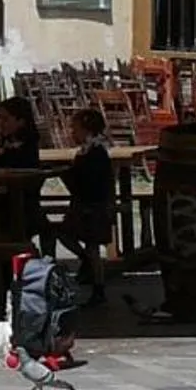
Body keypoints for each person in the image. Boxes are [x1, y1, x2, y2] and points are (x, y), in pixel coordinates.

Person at [51, 105, 117, 298]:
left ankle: (98, 286)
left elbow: (93, 180)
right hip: (83, 203)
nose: (72, 132)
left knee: (92, 245)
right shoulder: (86, 151)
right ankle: (86, 261)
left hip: (92, 204)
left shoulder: (96, 152)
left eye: (75, 128)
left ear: (86, 129)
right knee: (65, 233)